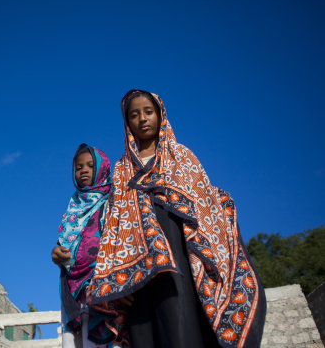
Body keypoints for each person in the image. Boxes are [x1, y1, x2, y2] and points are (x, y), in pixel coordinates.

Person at [88, 90, 266, 348]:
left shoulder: (182, 157)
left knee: (181, 325)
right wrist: (116, 283)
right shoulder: (121, 169)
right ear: (127, 123)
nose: (142, 119)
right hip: (137, 274)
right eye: (134, 115)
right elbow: (114, 227)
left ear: (160, 115)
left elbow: (204, 206)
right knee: (146, 333)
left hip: (179, 259)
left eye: (148, 112)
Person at [52, 143, 119, 348]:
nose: (84, 171)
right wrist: (56, 253)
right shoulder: (74, 205)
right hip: (73, 289)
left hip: (103, 286)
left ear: (102, 169)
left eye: (90, 166)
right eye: (79, 167)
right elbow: (63, 243)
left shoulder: (114, 200)